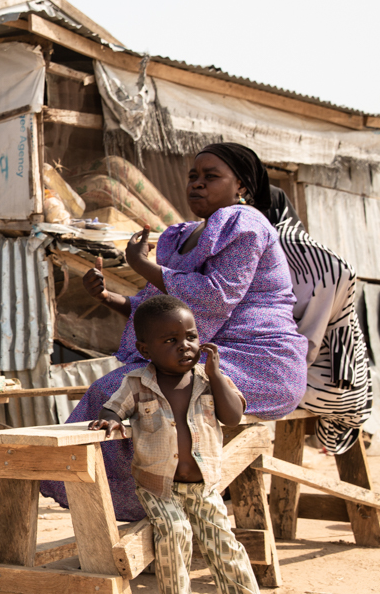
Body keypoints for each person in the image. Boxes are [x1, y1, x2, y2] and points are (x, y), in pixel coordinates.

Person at [51, 142, 308, 521]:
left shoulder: (245, 223)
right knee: (112, 391)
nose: (197, 185)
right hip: (205, 355)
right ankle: (125, 502)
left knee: (132, 392)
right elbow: (162, 312)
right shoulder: (181, 235)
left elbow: (214, 297)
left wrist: (142, 265)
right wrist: (108, 297)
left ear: (241, 185)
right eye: (193, 176)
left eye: (210, 177)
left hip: (259, 363)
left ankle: (156, 505)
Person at [89, 295, 279, 594]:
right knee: (175, 532)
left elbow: (233, 416)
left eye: (190, 336)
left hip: (205, 487)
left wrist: (217, 373)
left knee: (225, 546)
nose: (185, 346)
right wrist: (110, 421)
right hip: (158, 485)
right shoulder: (137, 383)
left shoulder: (208, 381)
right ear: (146, 349)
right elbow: (114, 409)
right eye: (170, 341)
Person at [254, 185, 372, 454]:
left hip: (325, 383)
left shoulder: (281, 244)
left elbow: (341, 271)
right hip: (347, 383)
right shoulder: (295, 247)